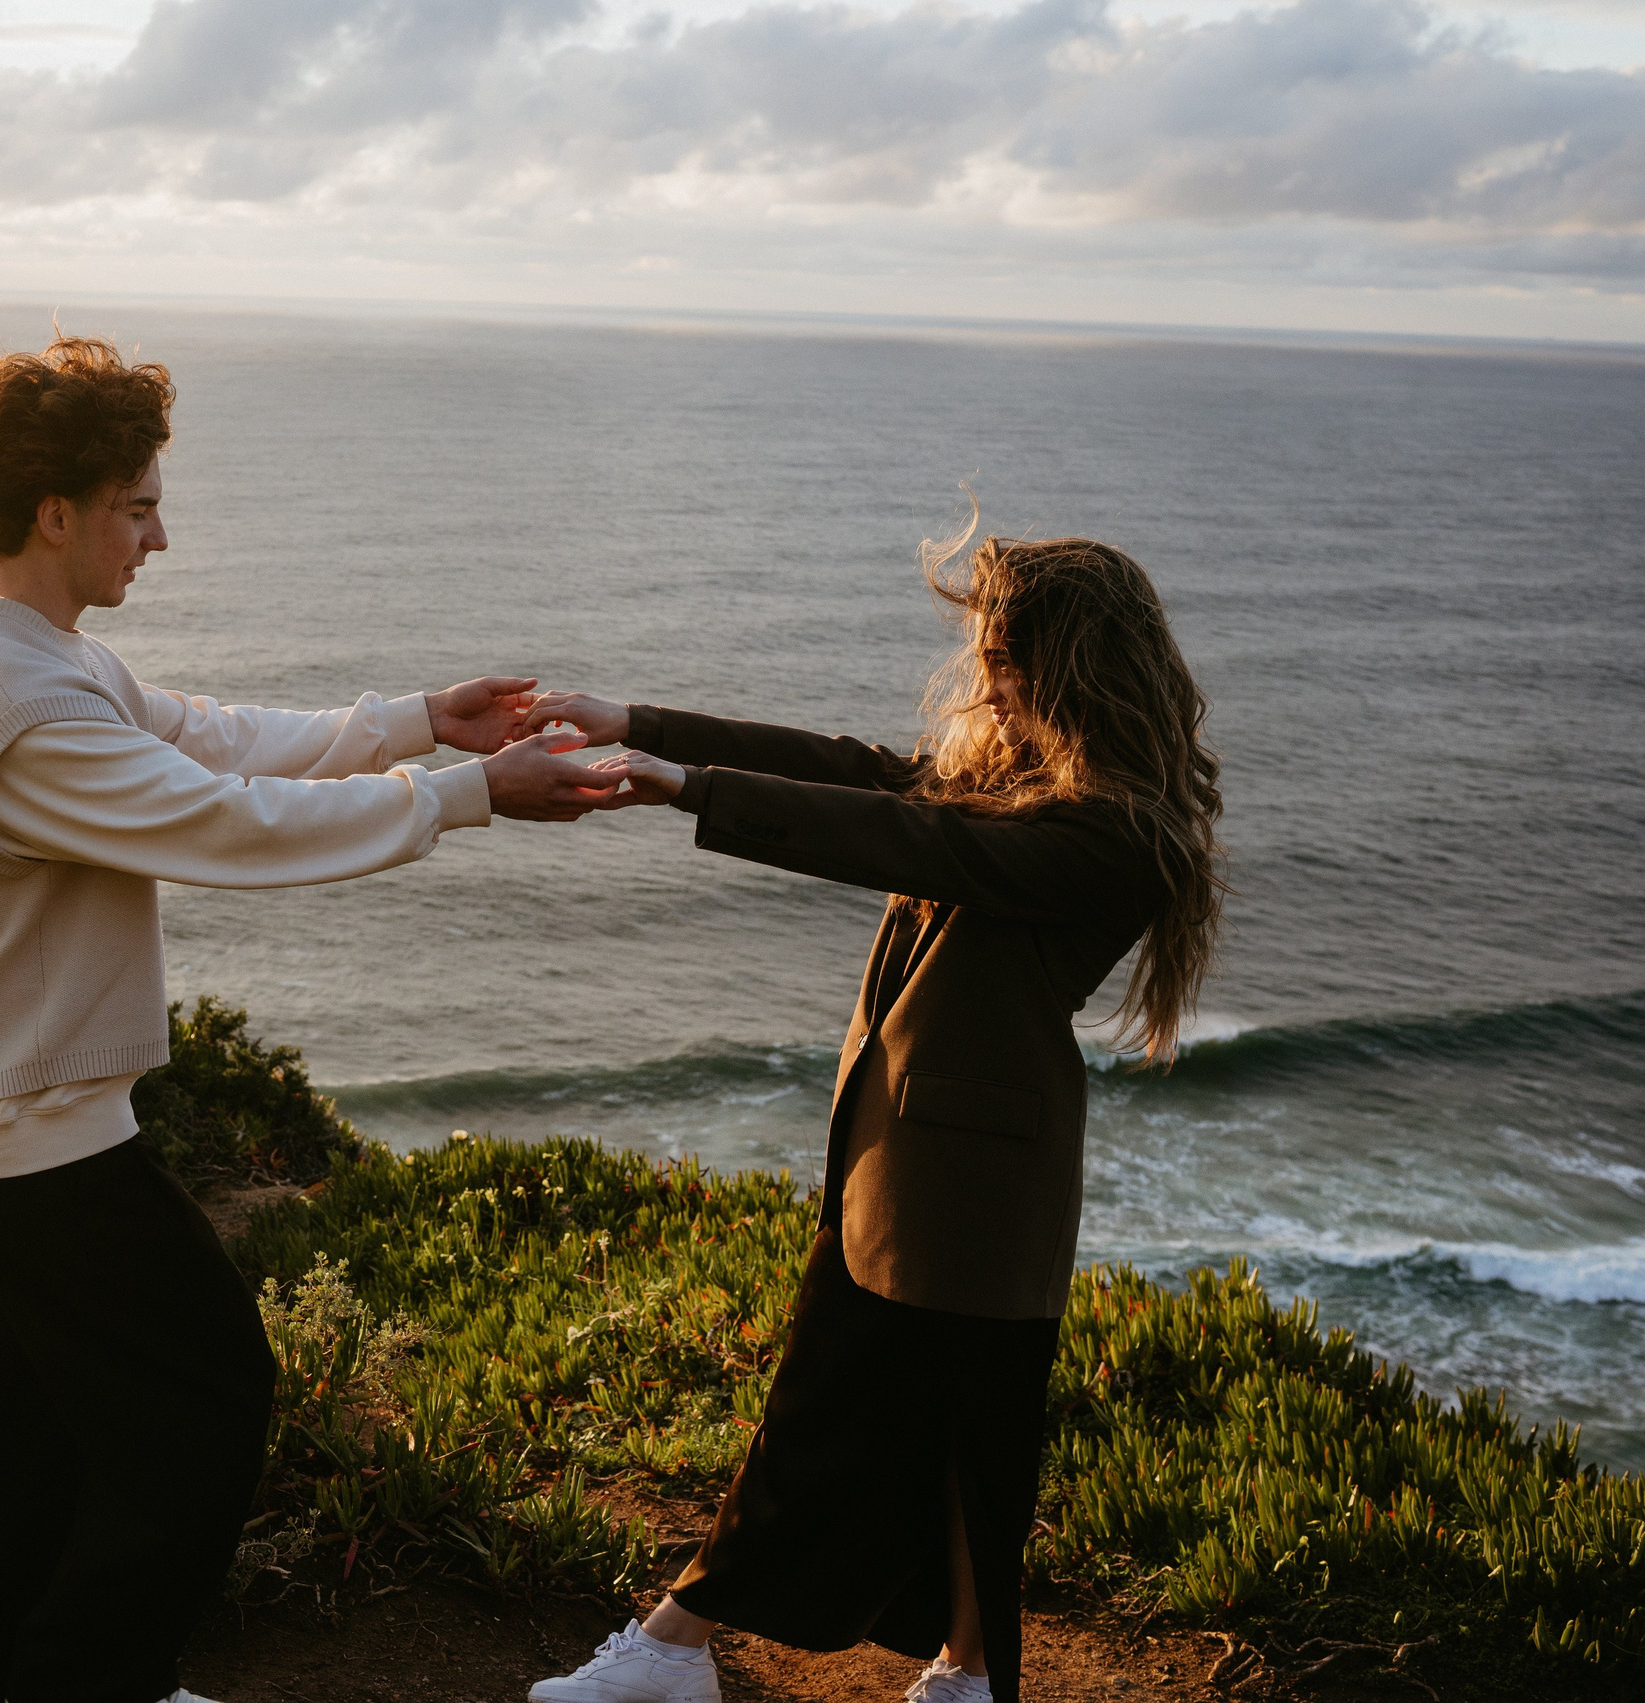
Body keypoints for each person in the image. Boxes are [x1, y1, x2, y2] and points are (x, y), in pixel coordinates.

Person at [0, 334, 618, 1703]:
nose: (162, 532)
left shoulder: (15, 648)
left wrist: (415, 722)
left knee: (12, 1460)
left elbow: (206, 737)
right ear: (58, 510)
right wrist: (469, 794)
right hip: (32, 1135)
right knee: (206, 1405)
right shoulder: (25, 702)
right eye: (138, 503)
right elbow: (227, 820)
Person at [521, 529, 1226, 1703]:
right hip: (916, 1158)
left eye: (1008, 658)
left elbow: (912, 838)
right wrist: (636, 722)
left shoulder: (1113, 833)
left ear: (1075, 667)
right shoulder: (1026, 787)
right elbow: (865, 775)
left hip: (968, 1180)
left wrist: (689, 791)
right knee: (967, 1439)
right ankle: (968, 1673)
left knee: (825, 1403)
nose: (989, 679)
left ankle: (670, 1645)